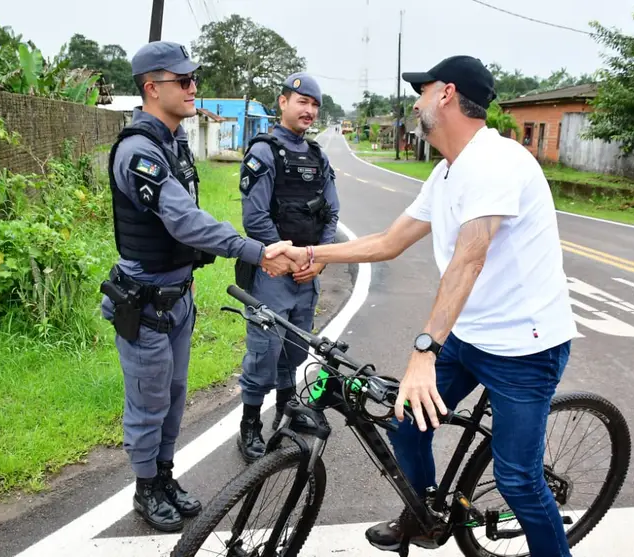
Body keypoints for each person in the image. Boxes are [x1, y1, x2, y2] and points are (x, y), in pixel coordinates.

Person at [267, 55, 577, 556]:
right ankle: (423, 517)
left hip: (525, 348)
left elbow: (469, 259)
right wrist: (310, 254)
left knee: (518, 481)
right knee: (407, 426)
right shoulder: (448, 171)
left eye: (423, 91)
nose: (416, 103)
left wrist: (424, 351)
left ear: (447, 94)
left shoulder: (496, 161)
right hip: (469, 335)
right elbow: (389, 242)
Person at [99, 40, 295, 533]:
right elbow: (184, 220)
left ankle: (164, 476)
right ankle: (146, 489)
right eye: (183, 81)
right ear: (152, 88)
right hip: (145, 304)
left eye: (193, 79)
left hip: (178, 298)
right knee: (148, 402)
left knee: (174, 396)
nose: (193, 88)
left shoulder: (174, 141)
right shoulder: (138, 152)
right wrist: (255, 251)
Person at [234, 73, 340, 462]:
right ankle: (249, 425)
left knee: (295, 351)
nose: (309, 110)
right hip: (272, 274)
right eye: (302, 102)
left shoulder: (318, 156)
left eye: (314, 105)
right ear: (283, 102)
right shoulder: (263, 152)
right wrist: (292, 256)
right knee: (264, 352)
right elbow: (255, 218)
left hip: (307, 275)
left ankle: (286, 411)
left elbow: (331, 213)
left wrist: (320, 258)